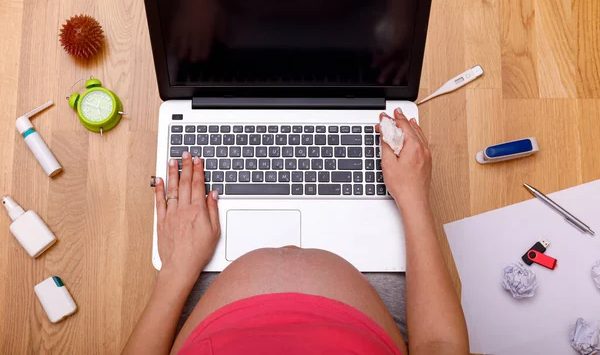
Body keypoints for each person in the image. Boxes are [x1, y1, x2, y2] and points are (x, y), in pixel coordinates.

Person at [122, 109, 469, 354]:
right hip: (374, 304)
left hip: (199, 287)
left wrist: (174, 274)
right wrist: (415, 202)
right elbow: (440, 347)